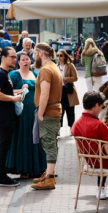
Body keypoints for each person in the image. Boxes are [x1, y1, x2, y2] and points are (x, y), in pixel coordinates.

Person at [6, 51, 47, 178]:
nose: (25, 61)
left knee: (35, 138)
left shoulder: (35, 74)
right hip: (22, 113)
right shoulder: (14, 74)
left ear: (31, 61)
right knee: (23, 138)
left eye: (27, 59)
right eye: (22, 59)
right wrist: (20, 90)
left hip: (35, 111)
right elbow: (6, 91)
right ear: (18, 62)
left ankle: (38, 168)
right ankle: (23, 169)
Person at [31, 43, 64, 191]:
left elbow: (45, 94)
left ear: (40, 54)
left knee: (49, 143)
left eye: (34, 53)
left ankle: (49, 178)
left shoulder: (45, 70)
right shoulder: (54, 67)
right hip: (54, 109)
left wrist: (40, 113)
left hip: (48, 111)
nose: (33, 56)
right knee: (51, 142)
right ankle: (48, 174)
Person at [0, 47, 24, 187]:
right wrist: (13, 98)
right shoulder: (0, 74)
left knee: (4, 145)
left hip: (6, 114)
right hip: (3, 115)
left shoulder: (5, 73)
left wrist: (17, 92)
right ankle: (1, 176)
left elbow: (4, 90)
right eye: (11, 57)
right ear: (3, 57)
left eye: (14, 57)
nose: (14, 59)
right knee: (4, 145)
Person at [57, 49, 79, 130]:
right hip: (59, 91)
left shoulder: (70, 65)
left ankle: (72, 128)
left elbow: (75, 78)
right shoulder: (56, 66)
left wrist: (65, 79)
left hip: (68, 89)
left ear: (65, 56)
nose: (59, 57)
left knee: (70, 110)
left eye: (61, 55)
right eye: (57, 55)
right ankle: (58, 129)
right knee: (60, 110)